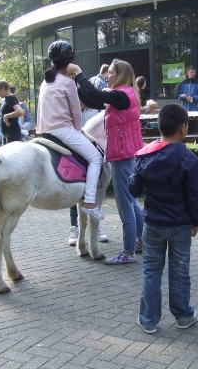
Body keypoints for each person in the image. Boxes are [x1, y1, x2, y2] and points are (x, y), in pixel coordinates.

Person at [129, 103, 198, 334]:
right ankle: (183, 315)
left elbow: (134, 190)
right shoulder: (188, 158)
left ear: (158, 126)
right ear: (184, 128)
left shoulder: (144, 155)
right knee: (180, 271)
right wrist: (196, 221)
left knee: (151, 271)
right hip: (181, 225)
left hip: (152, 223)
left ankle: (148, 319)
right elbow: (194, 195)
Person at [67, 59, 145, 264]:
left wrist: (80, 73)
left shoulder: (120, 95)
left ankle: (128, 252)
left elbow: (95, 95)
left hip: (123, 156)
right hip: (129, 154)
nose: (106, 76)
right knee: (133, 202)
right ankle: (142, 241)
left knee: (125, 205)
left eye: (110, 72)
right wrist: (76, 82)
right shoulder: (124, 94)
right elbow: (92, 100)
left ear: (119, 75)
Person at [36, 40, 104, 221]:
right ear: (70, 63)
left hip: (44, 131)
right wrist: (78, 130)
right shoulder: (67, 83)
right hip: (64, 130)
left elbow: (40, 109)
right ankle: (89, 201)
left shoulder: (45, 82)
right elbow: (76, 112)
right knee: (96, 158)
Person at [69, 63, 110, 246]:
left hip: (93, 146)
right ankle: (74, 227)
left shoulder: (94, 104)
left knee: (98, 182)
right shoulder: (67, 97)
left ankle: (96, 226)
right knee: (73, 183)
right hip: (75, 145)